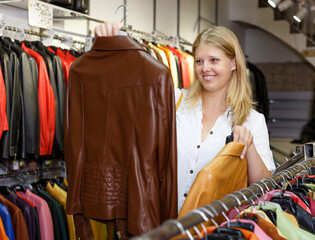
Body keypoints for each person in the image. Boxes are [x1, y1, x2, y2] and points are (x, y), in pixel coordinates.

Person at [94, 22, 276, 213]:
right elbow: (131, 82)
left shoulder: (252, 120)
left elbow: (265, 186)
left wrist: (250, 146)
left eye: (214, 60)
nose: (205, 68)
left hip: (214, 228)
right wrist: (113, 43)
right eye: (199, 61)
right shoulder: (174, 101)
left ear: (233, 63)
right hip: (162, 222)